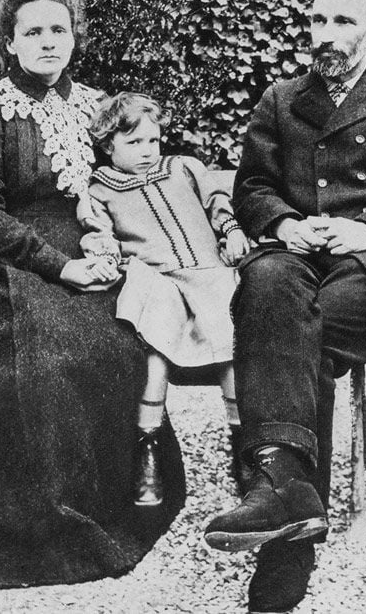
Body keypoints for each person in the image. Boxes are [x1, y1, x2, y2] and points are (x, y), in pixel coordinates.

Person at [0, 0, 185, 591]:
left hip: (94, 253)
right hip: (15, 266)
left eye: (60, 29)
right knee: (43, 358)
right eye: (34, 32)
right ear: (10, 42)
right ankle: (33, 526)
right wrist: (60, 266)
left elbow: (133, 181)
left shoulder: (99, 106)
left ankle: (119, 498)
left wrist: (110, 247)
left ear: (75, 37)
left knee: (118, 341)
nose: (49, 42)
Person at [204, 0, 366, 613]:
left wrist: (365, 226)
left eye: (344, 23)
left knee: (299, 337)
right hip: (300, 258)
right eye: (318, 22)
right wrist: (287, 224)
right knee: (265, 281)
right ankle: (291, 494)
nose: (327, 36)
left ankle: (283, 527)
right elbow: (253, 189)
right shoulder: (282, 98)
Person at [77, 92, 251, 506]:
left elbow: (217, 202)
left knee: (228, 333)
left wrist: (230, 232)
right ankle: (148, 446)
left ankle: (243, 439)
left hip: (207, 271)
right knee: (154, 342)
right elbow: (98, 234)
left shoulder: (183, 168)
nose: (147, 151)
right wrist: (103, 255)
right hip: (155, 279)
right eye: (134, 143)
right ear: (108, 145)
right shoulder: (101, 190)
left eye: (152, 141)